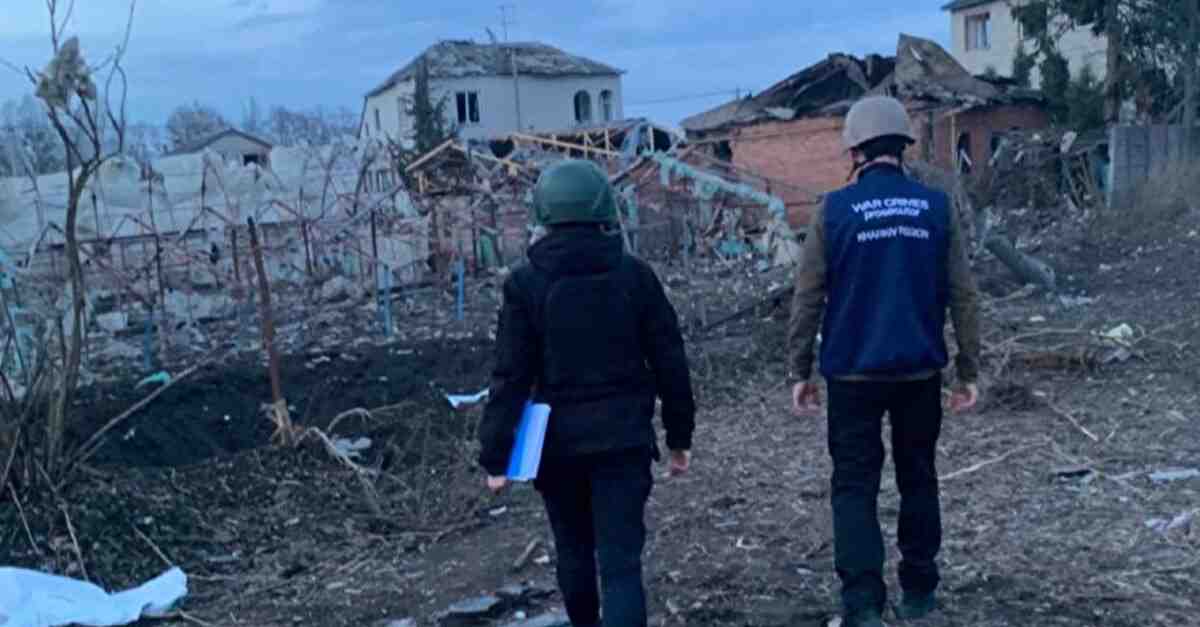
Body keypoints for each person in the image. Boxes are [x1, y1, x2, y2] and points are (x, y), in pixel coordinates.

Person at [788, 96, 982, 627]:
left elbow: (808, 296)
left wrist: (799, 369)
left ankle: (863, 604)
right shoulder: (935, 207)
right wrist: (968, 369)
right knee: (918, 476)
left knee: (854, 486)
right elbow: (964, 294)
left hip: (851, 374)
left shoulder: (833, 211)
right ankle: (918, 591)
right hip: (919, 372)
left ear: (855, 150)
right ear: (903, 146)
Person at [478, 159, 696, 627]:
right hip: (624, 443)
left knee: (573, 551)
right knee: (621, 564)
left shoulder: (524, 284)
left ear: (543, 214)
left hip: (557, 449)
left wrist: (496, 456)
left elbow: (510, 376)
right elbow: (670, 362)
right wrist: (679, 437)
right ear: (605, 210)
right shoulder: (635, 276)